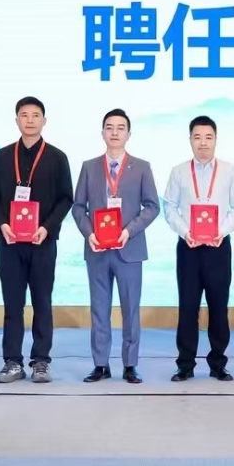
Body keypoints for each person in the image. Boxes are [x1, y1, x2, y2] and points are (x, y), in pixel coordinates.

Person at [0, 97, 73, 384]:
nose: (30, 120)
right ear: (17, 120)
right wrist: (2, 224)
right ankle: (12, 361)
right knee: (12, 305)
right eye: (25, 115)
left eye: (36, 115)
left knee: (42, 302)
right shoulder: (2, 156)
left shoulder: (57, 157)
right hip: (10, 243)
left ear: (44, 121)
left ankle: (41, 361)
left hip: (42, 242)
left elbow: (66, 198)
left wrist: (47, 228)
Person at [71, 108, 160, 384]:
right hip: (97, 249)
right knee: (99, 309)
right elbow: (78, 207)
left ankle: (130, 365)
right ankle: (100, 364)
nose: (115, 132)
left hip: (129, 249)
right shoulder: (89, 167)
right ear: (102, 133)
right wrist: (89, 233)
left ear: (129, 134)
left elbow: (152, 206)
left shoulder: (142, 167)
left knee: (130, 309)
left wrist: (128, 231)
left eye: (120, 128)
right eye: (109, 127)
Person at [163, 115, 234, 382]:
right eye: (197, 137)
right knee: (188, 307)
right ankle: (185, 364)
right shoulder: (178, 171)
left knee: (219, 306)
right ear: (190, 140)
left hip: (218, 247)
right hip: (188, 248)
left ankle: (218, 363)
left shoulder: (229, 171)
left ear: (216, 139)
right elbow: (169, 207)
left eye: (208, 137)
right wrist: (185, 232)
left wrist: (221, 231)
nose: (203, 142)